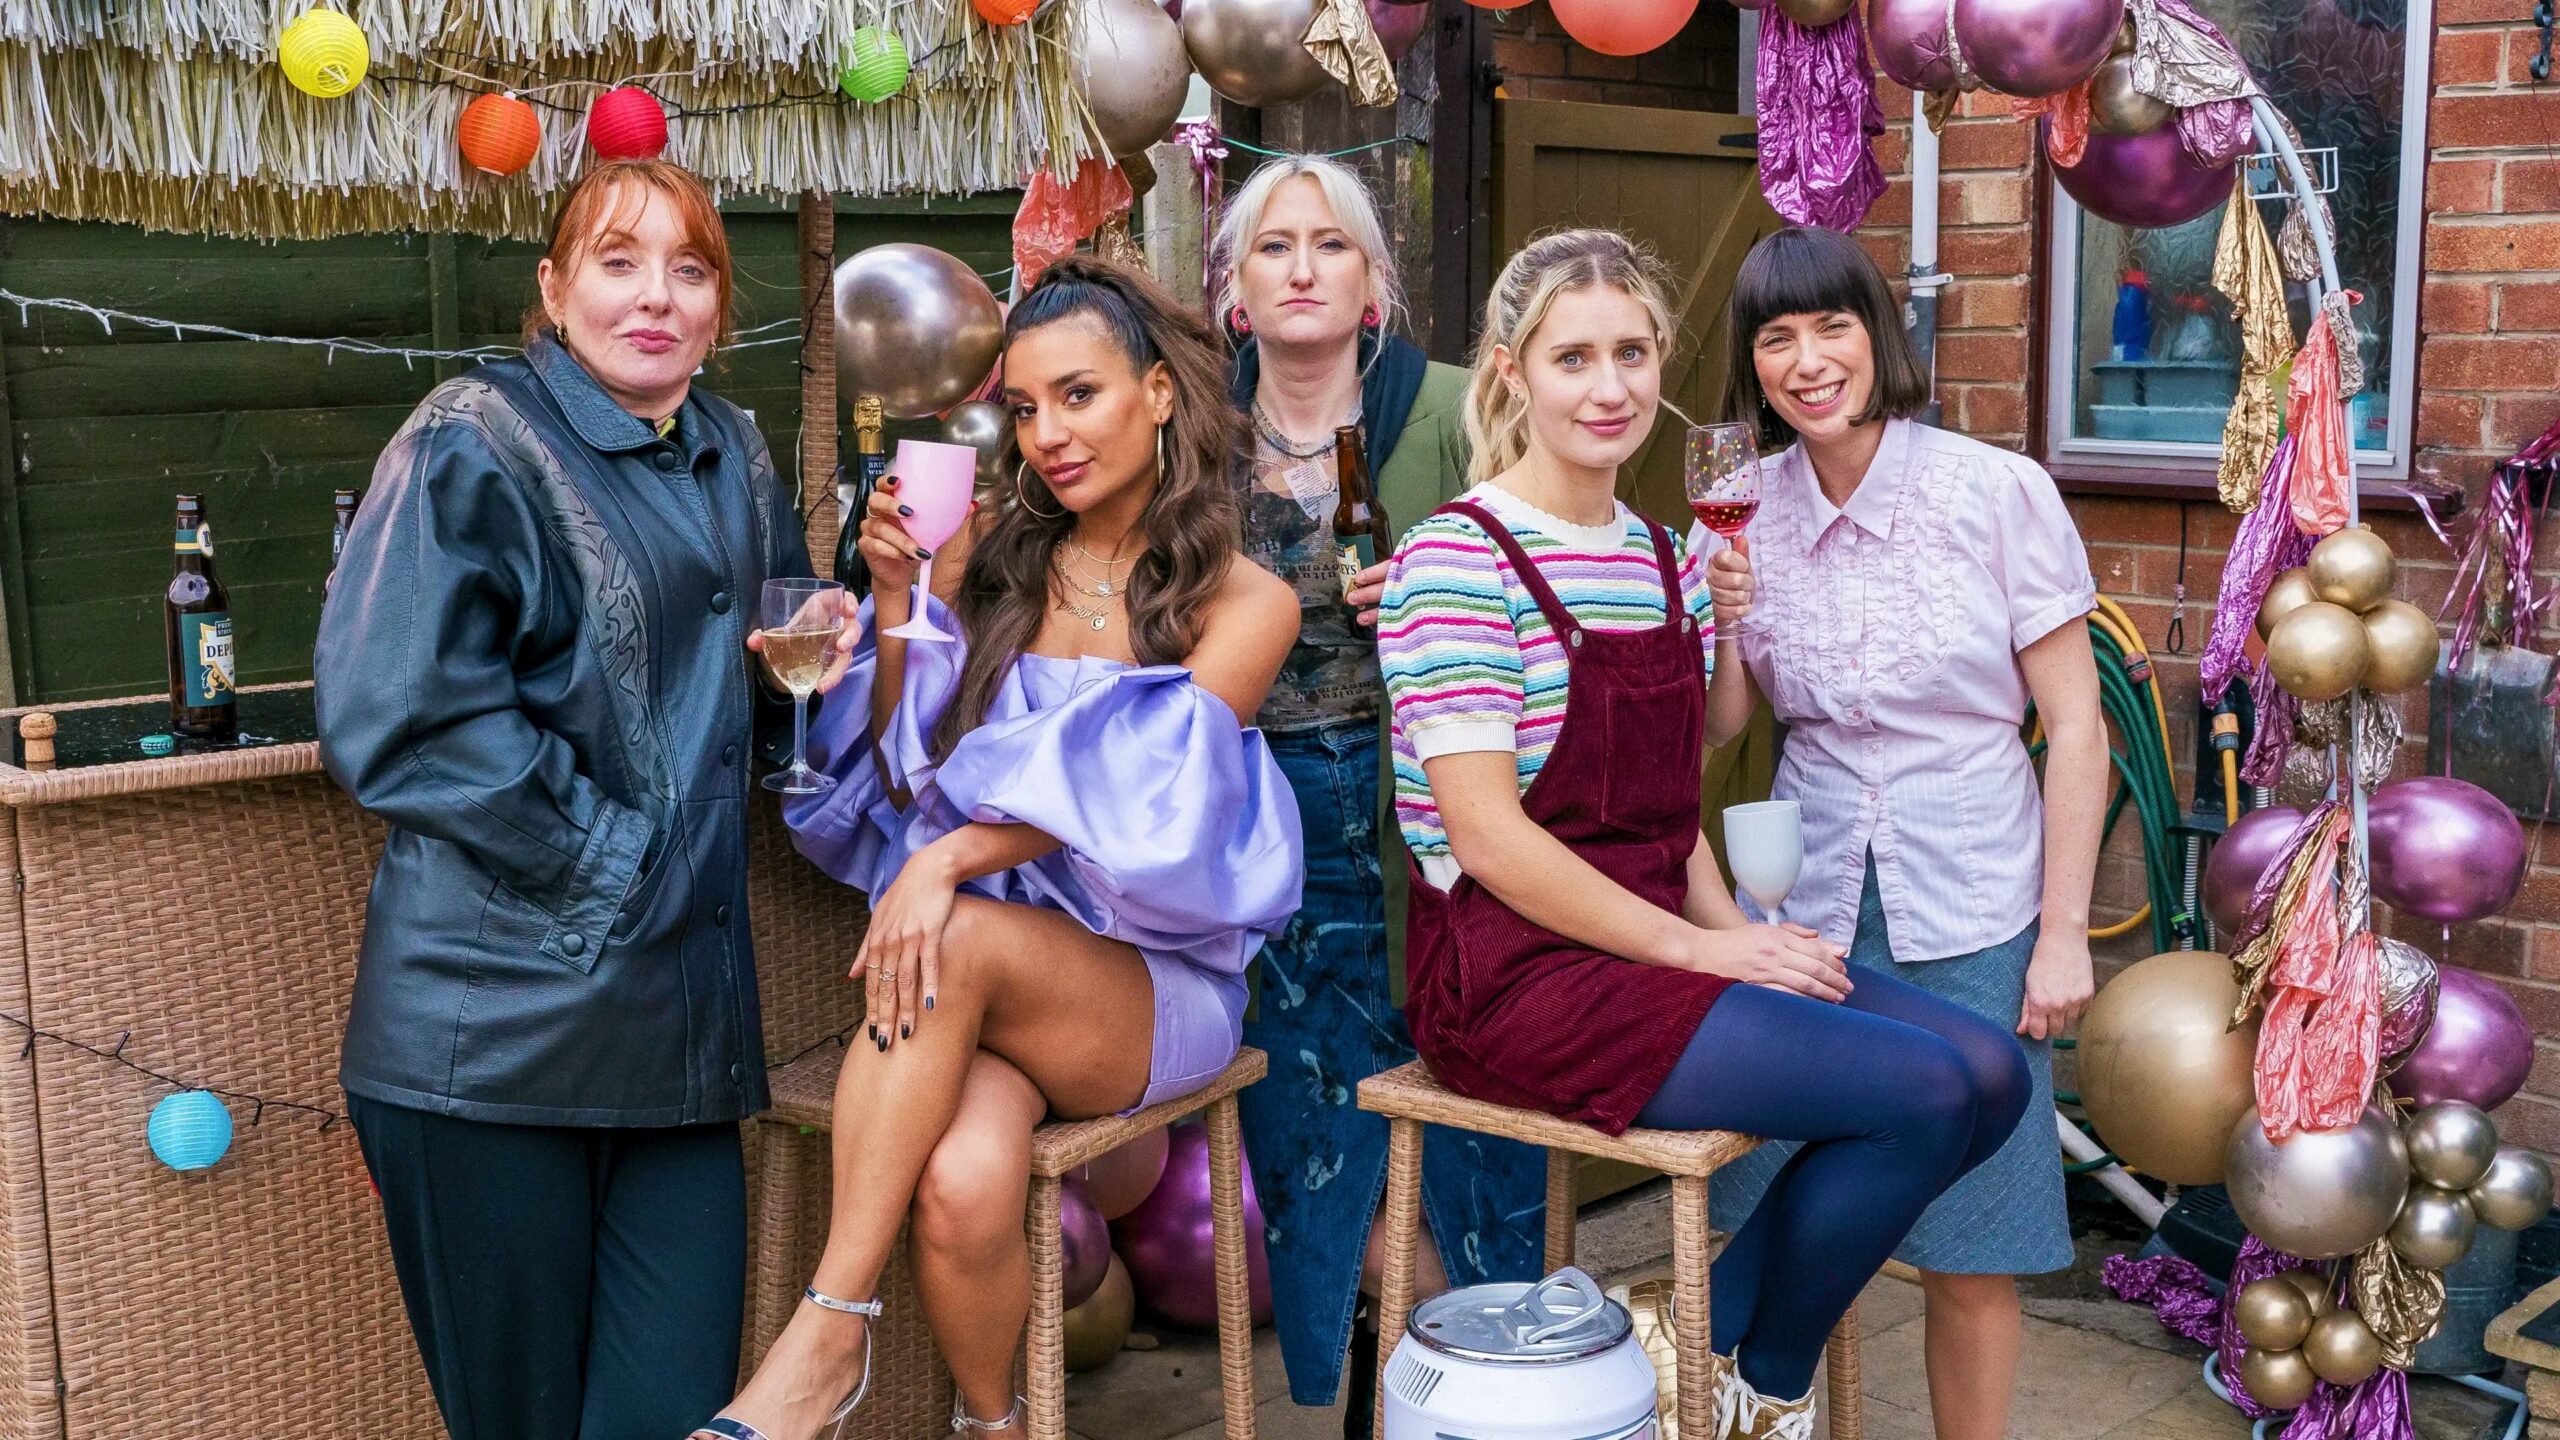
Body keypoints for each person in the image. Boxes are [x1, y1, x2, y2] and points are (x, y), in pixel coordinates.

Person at [1378, 229, 2033, 1440]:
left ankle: (1704, 1339)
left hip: (1649, 949)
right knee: (1920, 1094)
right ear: (1513, 372)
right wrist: (1707, 953)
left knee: (1989, 1075)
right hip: (1512, 976)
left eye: (1632, 353)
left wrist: (1740, 935)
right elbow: (1488, 840)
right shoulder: (1455, 559)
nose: (1610, 387)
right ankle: (1753, 1382)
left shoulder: (1657, 557)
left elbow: (1662, 802)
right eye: (1573, 358)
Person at [699, 255, 1305, 1440]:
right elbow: (904, 776)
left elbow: (1141, 792)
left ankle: (824, 1338)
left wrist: (946, 863)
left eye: (1078, 395)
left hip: (1153, 984)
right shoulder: (1000, 565)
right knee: (963, 1183)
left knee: (959, 933)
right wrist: (898, 596)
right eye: (1024, 410)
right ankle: (997, 1424)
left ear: (1159, 393)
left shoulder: (1245, 604)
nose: (1048, 437)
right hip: (987, 978)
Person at [316, 160, 809, 1440]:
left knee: (675, 1414)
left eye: (689, 269)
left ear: (719, 304)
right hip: (492, 1046)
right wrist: (618, 869)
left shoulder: (737, 452)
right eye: (617, 262)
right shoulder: (470, 438)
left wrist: (826, 660)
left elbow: (756, 685)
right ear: (553, 287)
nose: (655, 297)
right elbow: (399, 717)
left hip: (684, 1044)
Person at [1700, 225, 2105, 1440]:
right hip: (1801, 905)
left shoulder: (1995, 493)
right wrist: (1721, 618)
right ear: (1751, 362)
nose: (1807, 361)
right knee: (1781, 1211)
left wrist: (2063, 937)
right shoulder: (1737, 510)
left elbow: (2075, 728)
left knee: (1966, 1251)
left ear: (1880, 334)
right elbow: (1720, 728)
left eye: (1832, 326)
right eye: (1776, 337)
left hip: (1974, 902)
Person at [1214, 152, 1544, 1425]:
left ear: (1374, 283)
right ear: (1236, 289)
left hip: (1439, 817)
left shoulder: (1459, 410)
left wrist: (1433, 593)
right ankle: (1410, 1380)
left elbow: (1558, 574)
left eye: (1330, 244)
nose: (1302, 268)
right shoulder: (1190, 427)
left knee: (1464, 1111)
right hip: (1261, 826)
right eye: (1274, 246)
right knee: (1311, 1128)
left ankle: (1484, 1381)